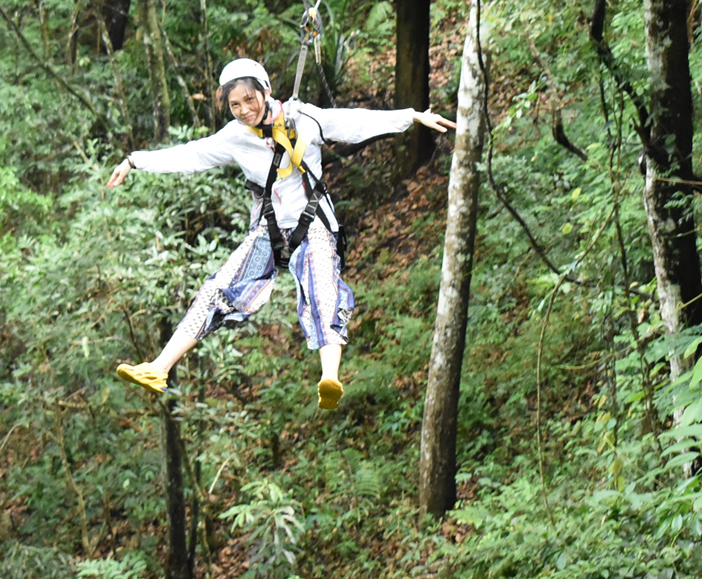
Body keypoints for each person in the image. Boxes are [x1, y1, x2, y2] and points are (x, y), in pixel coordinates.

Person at [108, 58, 456, 410]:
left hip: (314, 221)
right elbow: (190, 155)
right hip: (269, 229)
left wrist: (410, 116)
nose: (244, 110)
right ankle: (159, 368)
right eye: (235, 105)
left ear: (265, 91)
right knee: (217, 288)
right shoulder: (234, 137)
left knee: (322, 288)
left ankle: (330, 376)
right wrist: (134, 161)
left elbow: (349, 121)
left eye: (249, 100)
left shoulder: (302, 118)